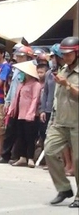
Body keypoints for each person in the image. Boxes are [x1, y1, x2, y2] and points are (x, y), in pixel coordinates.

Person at [44, 36, 79, 208]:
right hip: (60, 121)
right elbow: (57, 98)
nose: (65, 57)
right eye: (63, 54)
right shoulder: (63, 70)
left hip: (77, 122)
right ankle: (64, 188)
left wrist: (67, 85)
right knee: (49, 151)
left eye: (69, 54)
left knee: (78, 160)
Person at [8, 61, 43, 168]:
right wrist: (11, 109)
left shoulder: (36, 84)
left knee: (30, 137)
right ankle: (22, 157)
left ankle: (30, 158)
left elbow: (35, 99)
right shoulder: (21, 84)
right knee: (21, 136)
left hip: (30, 115)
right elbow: (16, 98)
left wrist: (31, 113)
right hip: (20, 114)